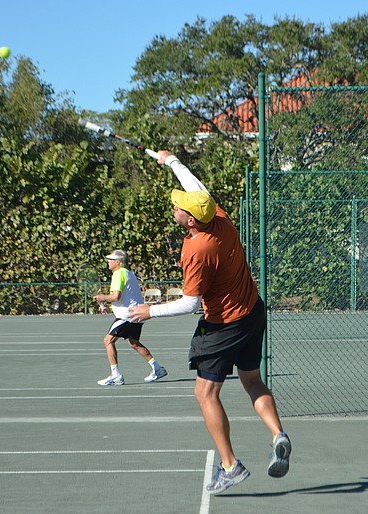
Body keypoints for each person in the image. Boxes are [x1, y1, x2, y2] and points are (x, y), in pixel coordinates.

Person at [129, 151, 291, 494]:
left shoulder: (197, 251)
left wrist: (150, 312)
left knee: (204, 392)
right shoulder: (219, 218)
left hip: (223, 325)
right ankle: (279, 434)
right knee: (252, 380)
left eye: (179, 207)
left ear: (190, 220)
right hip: (253, 312)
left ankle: (230, 465)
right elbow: (195, 186)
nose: (175, 207)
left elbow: (190, 303)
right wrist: (171, 161)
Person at [95, 249, 167, 386]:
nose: (108, 262)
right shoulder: (129, 274)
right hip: (137, 314)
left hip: (127, 315)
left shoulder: (118, 274)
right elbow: (124, 298)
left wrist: (102, 297)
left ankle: (115, 375)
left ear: (118, 262)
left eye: (111, 260)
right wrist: (104, 303)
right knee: (133, 342)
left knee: (108, 341)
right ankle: (157, 368)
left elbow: (116, 297)